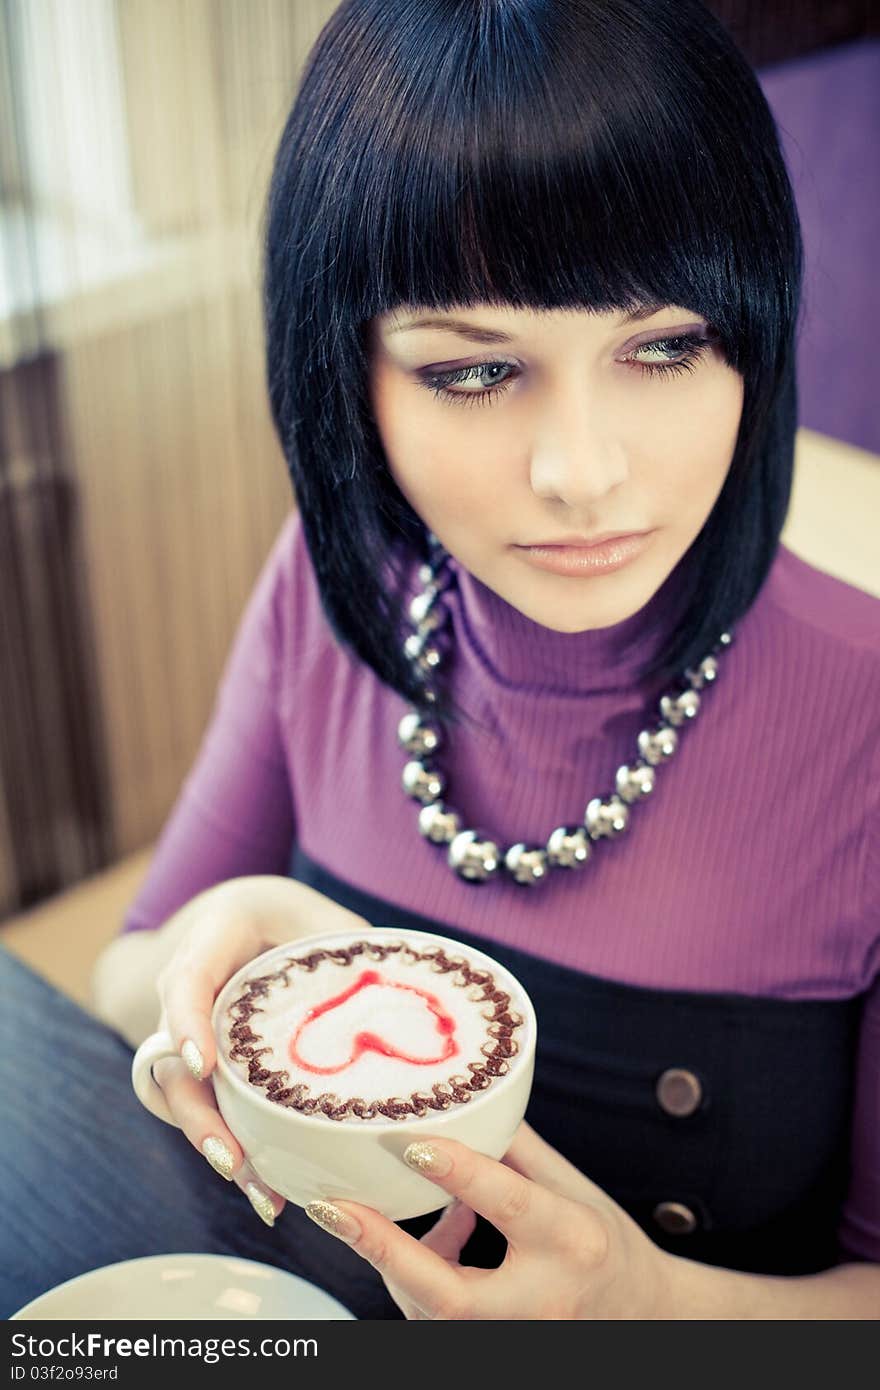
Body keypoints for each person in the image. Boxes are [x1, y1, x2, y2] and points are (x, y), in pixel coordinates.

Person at [91, 0, 880, 1318]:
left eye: (666, 346)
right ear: (347, 372)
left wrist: (650, 1302)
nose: (583, 472)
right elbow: (127, 969)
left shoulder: (861, 719)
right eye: (472, 372)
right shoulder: (326, 591)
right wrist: (274, 954)